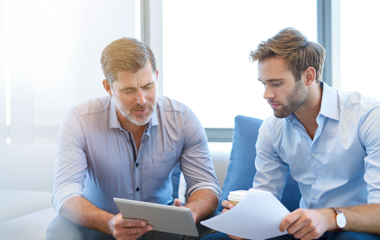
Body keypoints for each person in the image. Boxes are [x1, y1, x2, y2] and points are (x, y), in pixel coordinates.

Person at [201, 28, 380, 240]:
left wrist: (330, 217)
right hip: (301, 232)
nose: (267, 94)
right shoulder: (272, 128)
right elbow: (264, 198)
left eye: (276, 83)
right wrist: (246, 222)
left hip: (353, 229)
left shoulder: (367, 117)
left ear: (308, 76)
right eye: (264, 84)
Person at [46, 37, 221, 240]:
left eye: (148, 86)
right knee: (60, 231)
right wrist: (109, 223)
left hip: (162, 227)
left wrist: (192, 211)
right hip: (99, 224)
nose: (141, 100)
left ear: (156, 76)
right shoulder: (79, 120)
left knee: (219, 231)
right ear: (108, 87)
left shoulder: (182, 119)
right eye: (129, 90)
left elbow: (206, 186)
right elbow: (65, 193)